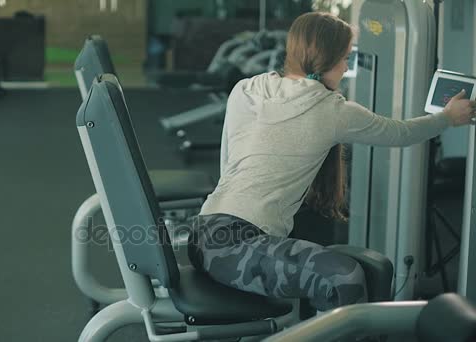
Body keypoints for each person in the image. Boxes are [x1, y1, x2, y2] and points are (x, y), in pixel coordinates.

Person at [188, 12, 476, 312]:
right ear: (330, 59)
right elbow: (401, 133)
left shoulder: (246, 88)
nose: (345, 67)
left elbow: (228, 162)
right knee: (344, 277)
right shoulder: (333, 111)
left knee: (324, 266)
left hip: (203, 235)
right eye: (345, 58)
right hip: (234, 248)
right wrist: (447, 117)